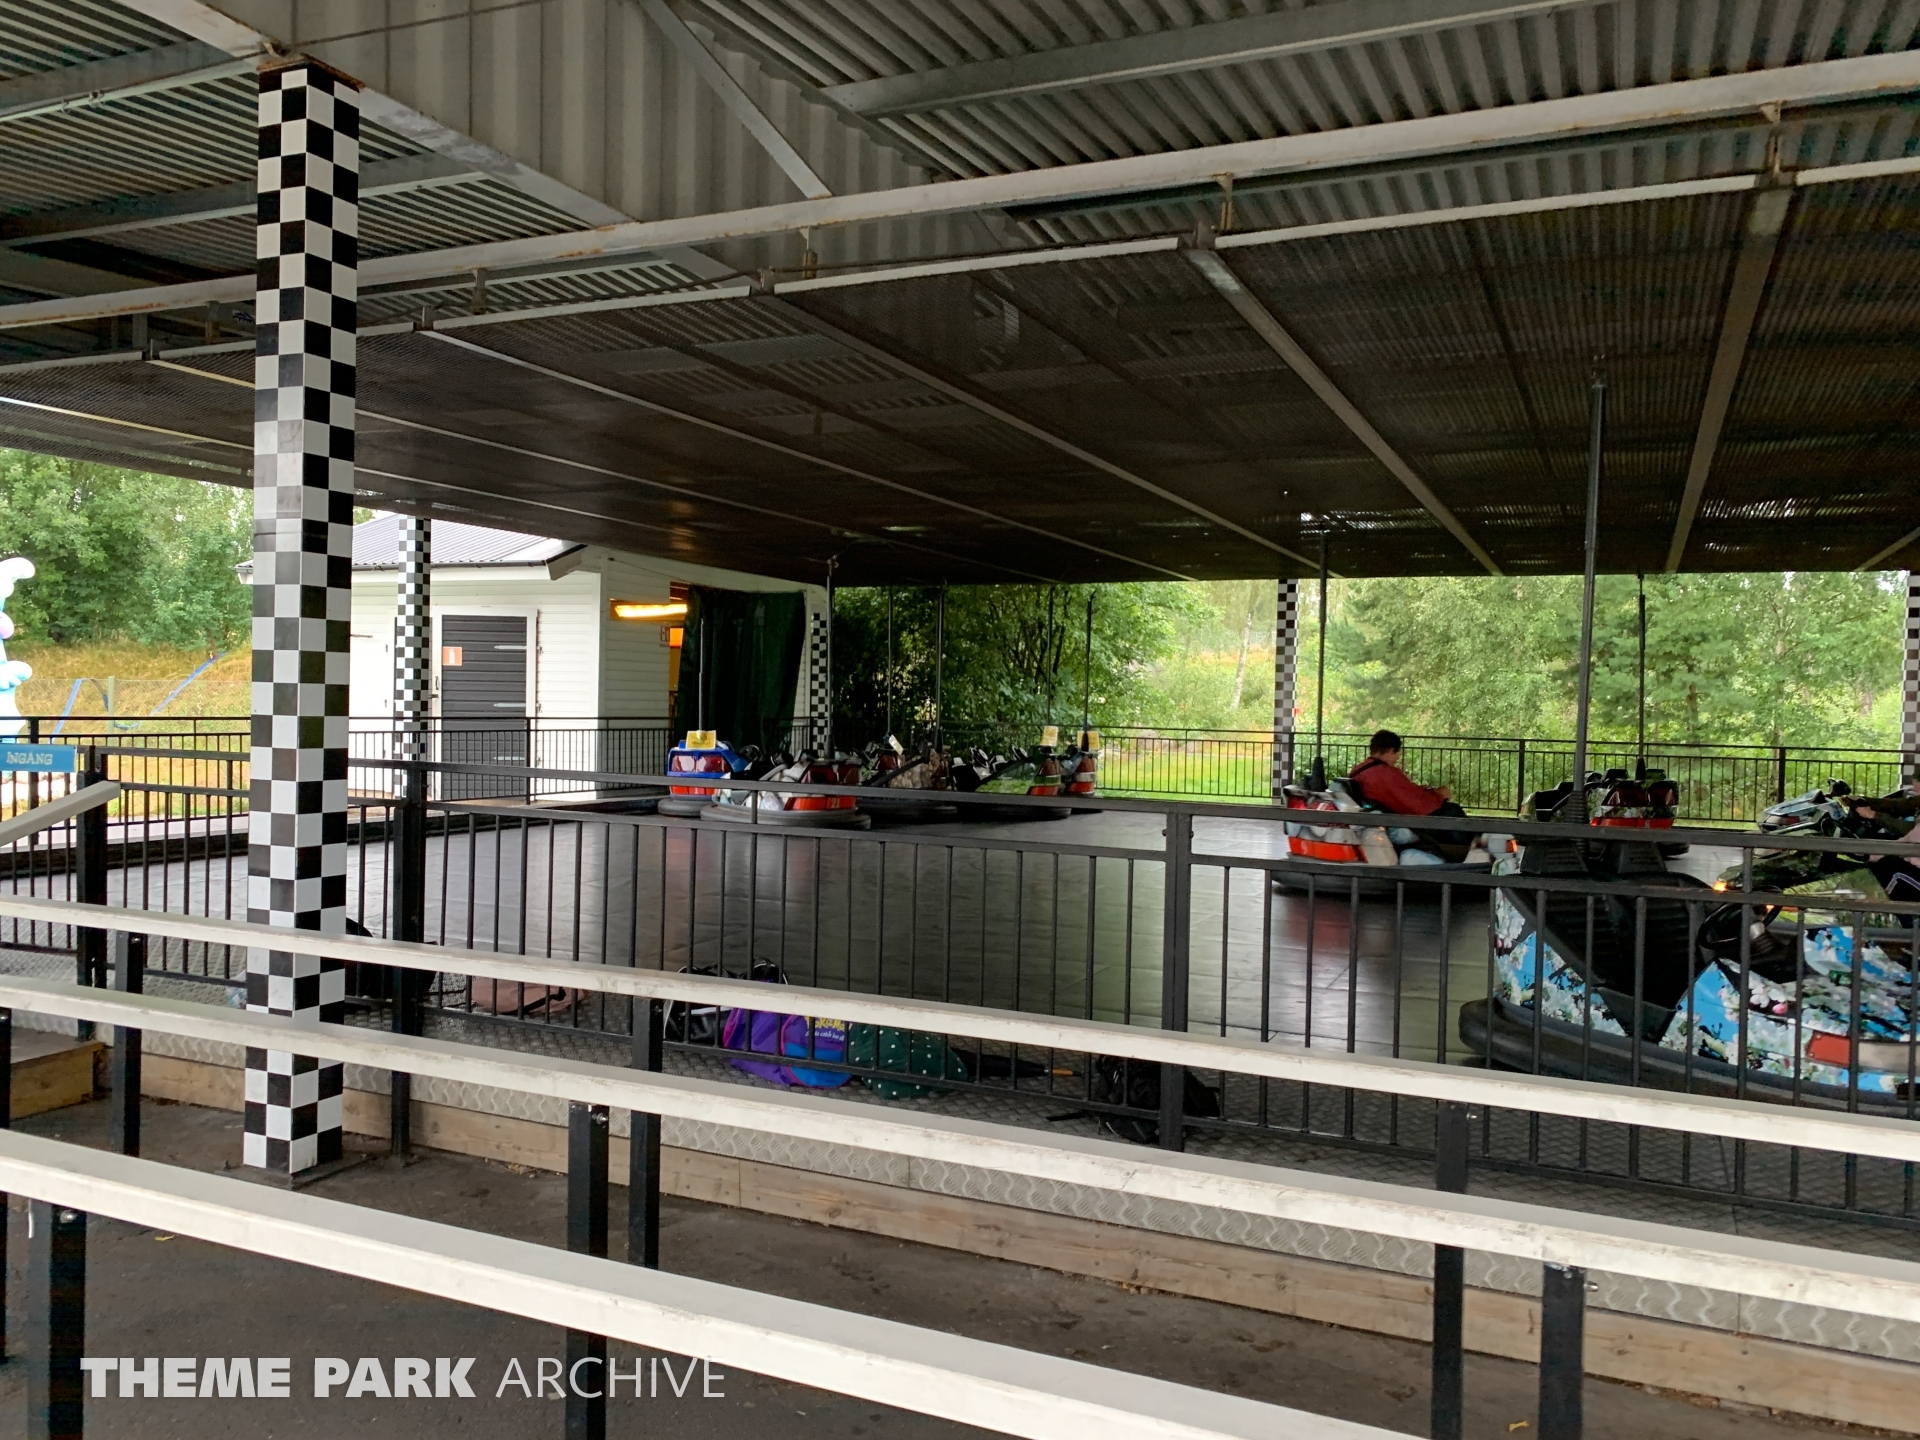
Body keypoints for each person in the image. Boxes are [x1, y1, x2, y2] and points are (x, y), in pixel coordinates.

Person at [1347, 730, 1474, 859]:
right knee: (1453, 811)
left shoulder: (1358, 770)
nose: (1397, 759)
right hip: (1402, 820)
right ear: (1391, 750)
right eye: (1397, 754)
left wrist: (1425, 791)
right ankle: (1467, 854)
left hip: (1386, 816)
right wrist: (1440, 795)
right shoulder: (1386, 773)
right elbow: (1418, 805)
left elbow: (1402, 794)